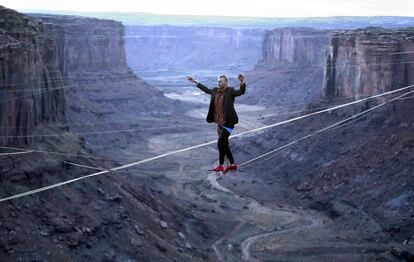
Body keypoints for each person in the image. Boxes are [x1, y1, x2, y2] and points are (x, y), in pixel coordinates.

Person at [186, 74, 246, 172]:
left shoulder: (230, 91)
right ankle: (232, 164)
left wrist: (242, 82)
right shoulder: (214, 91)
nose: (218, 83)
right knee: (224, 144)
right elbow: (206, 90)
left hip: (228, 122)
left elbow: (241, 92)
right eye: (217, 81)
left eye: (220, 81)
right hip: (219, 123)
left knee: (220, 143)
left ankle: (221, 165)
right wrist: (194, 81)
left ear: (226, 82)